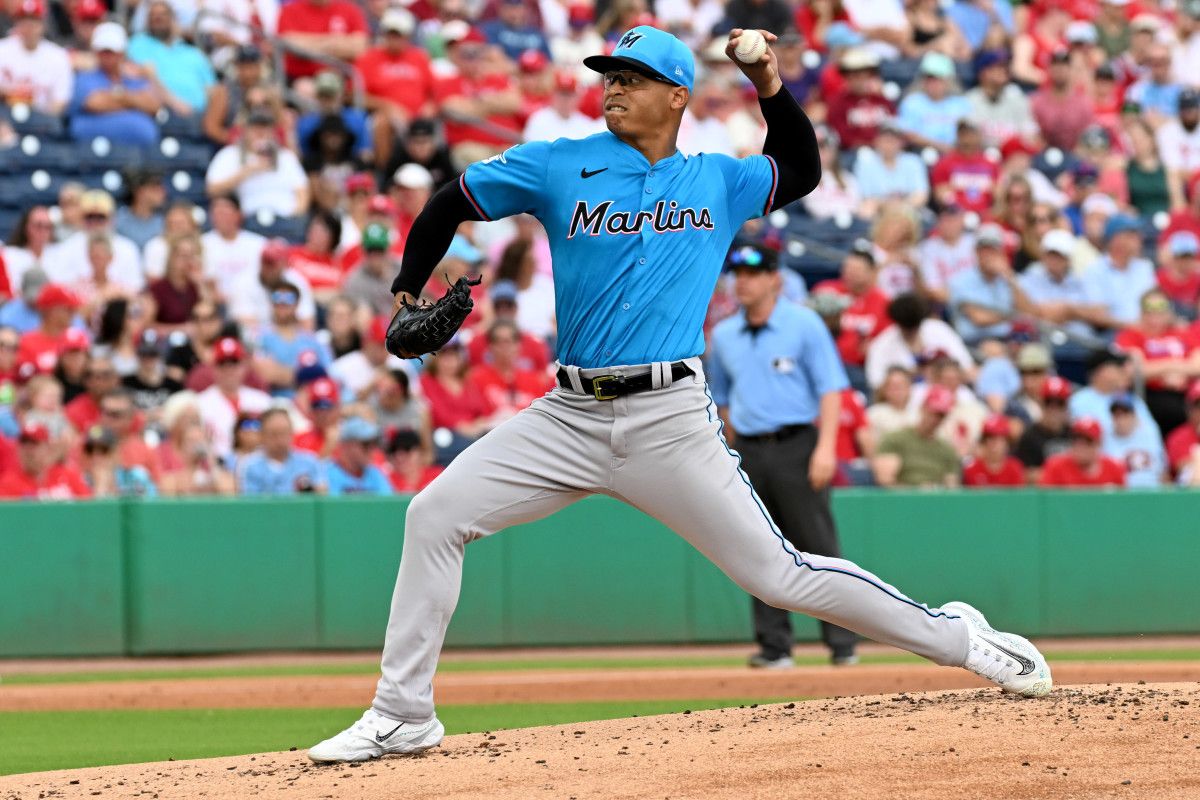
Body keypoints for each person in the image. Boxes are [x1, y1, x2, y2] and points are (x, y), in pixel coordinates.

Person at [308, 26, 1051, 765]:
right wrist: (407, 286)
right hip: (567, 415)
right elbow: (451, 199)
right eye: (609, 76)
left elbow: (800, 168)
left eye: (631, 77)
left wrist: (768, 81)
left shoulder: (717, 181)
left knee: (778, 574)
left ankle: (959, 637)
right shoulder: (559, 165)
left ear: (677, 95)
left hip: (668, 418)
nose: (613, 87)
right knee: (434, 515)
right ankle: (402, 714)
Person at [707, 244, 858, 669]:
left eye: (753, 273)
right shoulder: (724, 334)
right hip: (750, 449)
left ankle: (842, 643)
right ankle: (774, 646)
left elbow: (831, 388)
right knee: (758, 546)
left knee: (819, 546)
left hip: (798, 443)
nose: (743, 281)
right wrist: (731, 451)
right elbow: (723, 402)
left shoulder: (804, 323)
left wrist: (826, 447)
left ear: (775, 278)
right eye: (737, 273)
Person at [1114, 288, 1200, 435]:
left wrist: (1162, 370)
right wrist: (1173, 367)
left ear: (1169, 312)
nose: (1155, 317)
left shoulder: (1183, 333)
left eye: (1160, 311)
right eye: (1149, 311)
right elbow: (1135, 369)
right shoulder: (1131, 335)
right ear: (1141, 313)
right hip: (1150, 395)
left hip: (1187, 395)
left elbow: (1197, 365)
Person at [68, 21, 162, 148]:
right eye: (103, 51)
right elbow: (95, 103)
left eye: (111, 52)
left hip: (138, 153)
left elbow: (154, 106)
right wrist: (133, 102)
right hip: (89, 153)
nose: (107, 56)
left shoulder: (133, 78)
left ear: (122, 53)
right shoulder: (85, 77)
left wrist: (117, 96)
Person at [205, 107, 311, 218]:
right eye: (256, 128)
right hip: (248, 219)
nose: (261, 133)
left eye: (265, 128)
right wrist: (246, 172)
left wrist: (295, 217)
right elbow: (212, 190)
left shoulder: (286, 157)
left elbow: (302, 192)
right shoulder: (229, 154)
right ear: (245, 131)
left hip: (285, 218)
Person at [126, 0, 215, 116]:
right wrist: (176, 104)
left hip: (201, 117)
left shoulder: (193, 53)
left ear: (174, 19)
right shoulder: (138, 44)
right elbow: (138, 80)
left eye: (163, 14)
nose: (157, 18)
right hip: (162, 114)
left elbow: (212, 89)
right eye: (153, 15)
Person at [196, 337, 272, 460]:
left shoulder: (262, 401)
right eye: (222, 364)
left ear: (244, 365)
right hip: (219, 464)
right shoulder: (200, 403)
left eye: (234, 363)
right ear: (213, 367)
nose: (229, 369)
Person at [871, 384, 961, 487]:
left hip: (936, 499)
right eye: (933, 412)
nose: (936, 419)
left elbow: (951, 485)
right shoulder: (895, 440)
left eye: (941, 415)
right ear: (923, 408)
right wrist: (916, 493)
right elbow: (885, 480)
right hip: (903, 500)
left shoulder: (947, 449)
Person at [0, 0, 74, 116]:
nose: (29, 26)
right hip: (5, 116)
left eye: (34, 20)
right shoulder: (2, 49)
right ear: (16, 23)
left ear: (43, 24)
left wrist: (43, 119)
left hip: (41, 118)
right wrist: (11, 93)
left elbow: (60, 102)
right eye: (23, 20)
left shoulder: (57, 56)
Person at [237, 407, 326, 495]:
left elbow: (321, 496)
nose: (280, 440)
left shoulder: (310, 462)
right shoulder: (250, 466)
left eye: (284, 433)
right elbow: (250, 502)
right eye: (274, 434)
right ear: (262, 435)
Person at [0, 422, 91, 500]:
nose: (28, 450)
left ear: (47, 448)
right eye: (24, 444)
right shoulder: (8, 483)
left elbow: (89, 509)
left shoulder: (67, 476)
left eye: (34, 444)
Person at [1015, 375, 1073, 484]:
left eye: (1060, 403)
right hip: (1041, 496)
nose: (1053, 409)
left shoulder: (1075, 435)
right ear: (1041, 404)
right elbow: (1024, 474)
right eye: (1049, 402)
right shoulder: (1030, 436)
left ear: (1067, 406)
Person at [1038, 416, 1126, 488]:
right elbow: (1045, 503)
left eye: (1087, 441)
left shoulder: (1114, 468)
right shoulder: (1055, 467)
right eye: (1076, 440)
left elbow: (1122, 504)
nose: (1080, 446)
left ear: (1098, 443)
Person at [1104, 393, 1166, 488]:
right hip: (1121, 497)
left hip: (1152, 494)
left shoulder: (1149, 435)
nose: (1121, 420)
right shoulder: (1105, 439)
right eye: (1117, 415)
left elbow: (1163, 471)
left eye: (1125, 414)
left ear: (1134, 415)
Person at [325, 417, 393, 495]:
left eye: (374, 444)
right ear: (347, 446)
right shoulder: (325, 474)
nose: (372, 450)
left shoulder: (375, 474)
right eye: (366, 444)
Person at [343, 223, 397, 317]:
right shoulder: (355, 279)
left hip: (406, 323)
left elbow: (423, 296)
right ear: (363, 251)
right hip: (375, 328)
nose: (375, 256)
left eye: (379, 250)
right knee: (363, 313)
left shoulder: (401, 268)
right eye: (370, 251)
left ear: (387, 249)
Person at [961, 414, 1025, 487]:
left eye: (1000, 439)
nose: (995, 444)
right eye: (991, 438)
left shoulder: (1014, 469)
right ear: (984, 441)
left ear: (1007, 442)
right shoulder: (971, 469)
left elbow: (1019, 496)